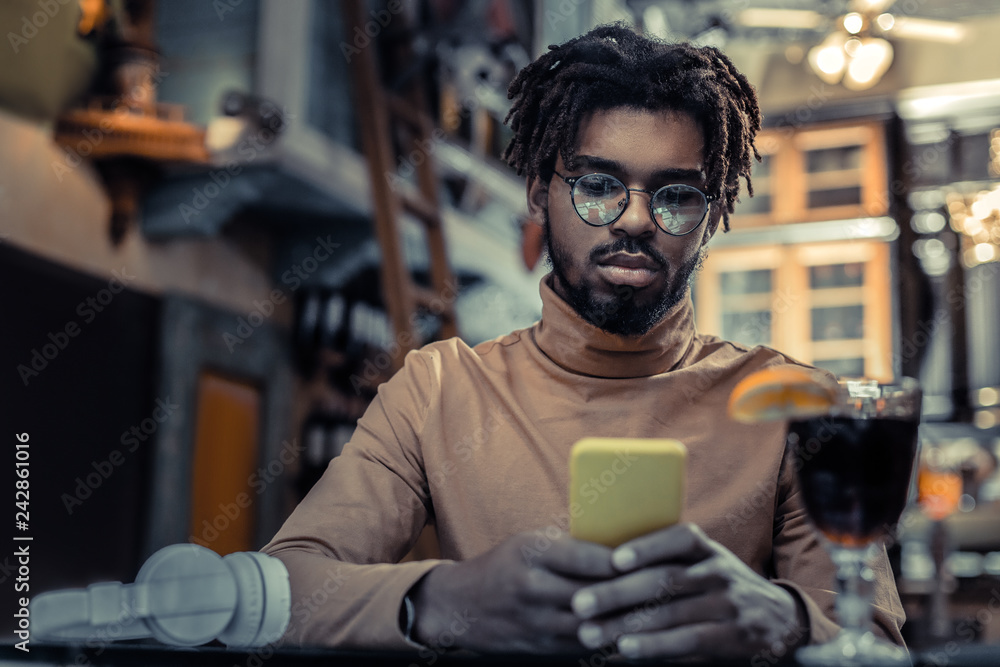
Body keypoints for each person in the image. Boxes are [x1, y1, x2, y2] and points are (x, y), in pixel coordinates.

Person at [262, 23, 905, 660]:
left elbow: (876, 647)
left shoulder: (797, 407)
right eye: (598, 185)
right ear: (541, 195)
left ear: (709, 220)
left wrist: (783, 621)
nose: (633, 218)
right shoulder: (436, 388)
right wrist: (442, 598)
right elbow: (286, 587)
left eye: (675, 195)